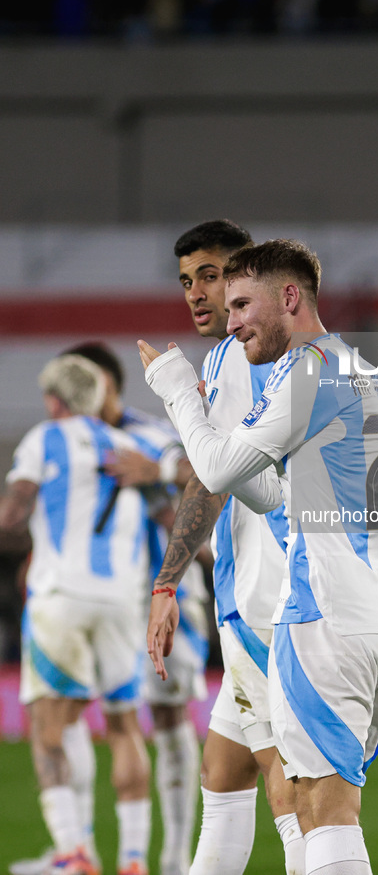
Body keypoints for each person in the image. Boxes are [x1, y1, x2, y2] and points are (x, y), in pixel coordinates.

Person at [141, 238, 378, 875]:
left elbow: (212, 468)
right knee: (306, 797)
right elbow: (270, 492)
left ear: (290, 297)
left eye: (242, 302)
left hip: (329, 612)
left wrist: (175, 389)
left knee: (322, 809)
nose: (231, 316)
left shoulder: (305, 370)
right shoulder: (355, 367)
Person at [149, 220, 306, 875]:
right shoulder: (225, 361)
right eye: (186, 281)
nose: (196, 294)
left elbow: (218, 477)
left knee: (293, 790)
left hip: (278, 599)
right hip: (247, 599)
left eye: (210, 276)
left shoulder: (247, 358)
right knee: (224, 773)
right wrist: (167, 584)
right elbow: (209, 480)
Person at [0, 354, 156, 875]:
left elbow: (15, 510)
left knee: (49, 726)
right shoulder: (131, 446)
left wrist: (25, 531)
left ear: (54, 400)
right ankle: (133, 859)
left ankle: (73, 852)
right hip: (120, 599)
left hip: (61, 596)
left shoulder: (45, 438)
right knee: (124, 725)